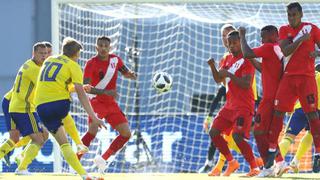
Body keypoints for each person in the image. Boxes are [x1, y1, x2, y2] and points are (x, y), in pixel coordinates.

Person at [35, 37, 104, 179]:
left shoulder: (49, 60)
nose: (79, 57)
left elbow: (56, 82)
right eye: (79, 54)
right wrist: (94, 116)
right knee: (63, 117)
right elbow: (82, 95)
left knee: (63, 144)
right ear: (75, 54)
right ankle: (79, 145)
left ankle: (85, 175)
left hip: (41, 106)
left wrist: (71, 87)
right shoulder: (74, 66)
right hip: (60, 104)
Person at [264, 2, 320, 173]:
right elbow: (286, 51)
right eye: (289, 15)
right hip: (288, 78)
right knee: (277, 113)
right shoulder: (283, 30)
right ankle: (272, 153)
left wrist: (317, 53)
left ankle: (318, 153)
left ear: (301, 14)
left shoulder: (312, 28)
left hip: (308, 78)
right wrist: (301, 40)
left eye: (294, 14)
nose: (292, 18)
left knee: (312, 114)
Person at [78, 36, 136, 173]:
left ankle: (103, 159)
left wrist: (131, 74)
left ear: (110, 48)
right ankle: (75, 160)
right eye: (101, 46)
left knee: (126, 134)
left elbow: (125, 72)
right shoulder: (90, 63)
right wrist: (105, 92)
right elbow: (86, 87)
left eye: (106, 46)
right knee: (92, 131)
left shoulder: (115, 60)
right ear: (96, 47)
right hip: (96, 102)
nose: (103, 48)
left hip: (111, 104)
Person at [208, 31, 259, 177]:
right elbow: (219, 79)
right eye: (229, 43)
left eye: (234, 43)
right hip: (229, 105)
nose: (231, 46)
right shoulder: (227, 59)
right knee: (213, 132)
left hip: (244, 106)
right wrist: (212, 66)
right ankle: (231, 162)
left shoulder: (247, 59)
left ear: (240, 42)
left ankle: (254, 167)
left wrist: (229, 74)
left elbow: (246, 83)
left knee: (237, 136)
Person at [239, 25, 288, 177]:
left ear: (273, 36)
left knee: (259, 131)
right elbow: (264, 68)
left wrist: (242, 36)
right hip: (277, 98)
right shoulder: (277, 49)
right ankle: (280, 162)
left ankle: (268, 168)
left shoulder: (269, 47)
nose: (261, 40)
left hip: (269, 99)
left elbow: (247, 53)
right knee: (267, 133)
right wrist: (251, 57)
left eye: (263, 36)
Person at [3, 42, 49, 175]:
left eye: (46, 54)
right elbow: (45, 88)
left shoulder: (28, 64)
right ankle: (22, 167)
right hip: (24, 108)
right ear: (34, 53)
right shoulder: (35, 70)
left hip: (17, 105)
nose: (44, 56)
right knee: (39, 139)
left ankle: (20, 160)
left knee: (41, 134)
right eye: (41, 54)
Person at [279, 64, 320, 173]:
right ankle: (295, 161)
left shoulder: (309, 75)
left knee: (288, 138)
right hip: (316, 110)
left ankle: (276, 164)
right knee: (311, 134)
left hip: (300, 108)